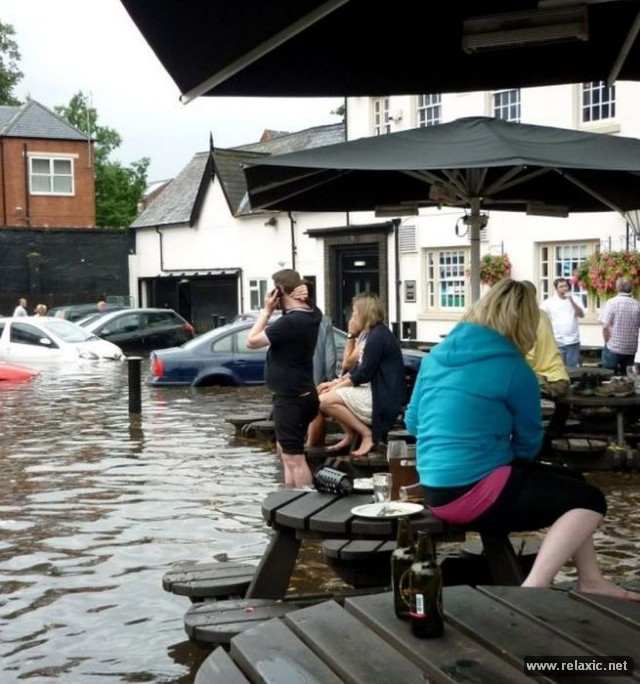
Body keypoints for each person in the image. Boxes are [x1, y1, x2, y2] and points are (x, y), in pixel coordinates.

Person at [405, 278, 639, 600]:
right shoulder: (514, 368)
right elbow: (529, 440)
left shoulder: (434, 358)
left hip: (434, 488)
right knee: (591, 500)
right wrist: (504, 459)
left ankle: (591, 579)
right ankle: (533, 591)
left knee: (574, 483)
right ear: (525, 322)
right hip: (475, 490)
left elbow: (413, 422)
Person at [246, 269, 322, 488]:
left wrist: (266, 311)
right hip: (303, 394)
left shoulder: (289, 323)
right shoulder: (312, 314)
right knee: (286, 452)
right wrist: (306, 295)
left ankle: (305, 499)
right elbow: (309, 305)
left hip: (291, 399)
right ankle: (291, 498)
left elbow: (251, 341)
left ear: (279, 291)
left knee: (294, 458)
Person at [316, 292, 406, 458]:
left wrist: (336, 388)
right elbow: (357, 367)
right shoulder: (373, 334)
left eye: (355, 312)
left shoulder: (378, 336)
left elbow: (363, 374)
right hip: (375, 391)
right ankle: (350, 435)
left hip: (381, 398)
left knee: (322, 401)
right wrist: (335, 383)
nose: (352, 316)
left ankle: (366, 434)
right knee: (324, 393)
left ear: (364, 313)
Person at [524, 282, 570, 398]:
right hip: (559, 377)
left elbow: (529, 357)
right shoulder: (542, 314)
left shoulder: (528, 319)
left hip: (548, 381)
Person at [598, 276, 640, 375]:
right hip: (630, 348)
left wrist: (606, 342)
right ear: (631, 288)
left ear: (617, 288)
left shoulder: (612, 303)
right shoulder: (637, 305)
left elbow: (605, 327)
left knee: (608, 374)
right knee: (627, 376)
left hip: (613, 347)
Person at [540, 277, 584, 368]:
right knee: (559, 368)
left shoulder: (575, 299)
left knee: (572, 369)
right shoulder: (549, 302)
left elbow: (581, 315)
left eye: (566, 286)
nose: (565, 288)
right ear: (556, 289)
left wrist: (572, 301)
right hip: (557, 341)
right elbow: (540, 316)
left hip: (573, 341)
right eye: (561, 286)